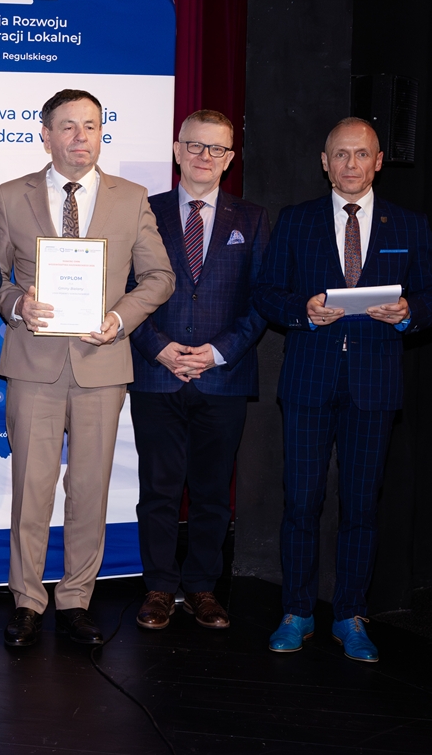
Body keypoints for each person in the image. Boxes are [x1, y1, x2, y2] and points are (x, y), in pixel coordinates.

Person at [254, 117, 432, 662]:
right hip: (309, 382)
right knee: (301, 503)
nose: (351, 164)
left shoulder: (408, 224)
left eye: (361, 154)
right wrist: (302, 311)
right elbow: (267, 292)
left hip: (374, 385)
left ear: (379, 161)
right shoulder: (296, 220)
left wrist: (409, 311)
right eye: (340, 154)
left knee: (361, 506)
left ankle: (350, 615)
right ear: (324, 162)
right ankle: (296, 612)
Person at [0, 89, 174, 648]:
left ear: (101, 134)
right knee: (31, 489)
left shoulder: (132, 198)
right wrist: (18, 305)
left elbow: (159, 277)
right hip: (33, 364)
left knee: (90, 490)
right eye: (67, 126)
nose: (80, 137)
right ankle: (27, 600)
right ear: (45, 135)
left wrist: (119, 319)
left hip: (102, 363)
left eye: (90, 126)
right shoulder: (11, 195)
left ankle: (75, 599)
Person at [127, 110, 270, 631]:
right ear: (177, 149)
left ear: (230, 158)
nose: (204, 156)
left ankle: (203, 588)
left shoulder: (253, 219)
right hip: (156, 373)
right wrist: (159, 348)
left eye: (217, 149)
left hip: (223, 376)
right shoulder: (143, 210)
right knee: (158, 491)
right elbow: (123, 290)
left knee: (212, 493)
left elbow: (264, 298)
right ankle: (159, 588)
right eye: (194, 145)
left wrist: (217, 352)